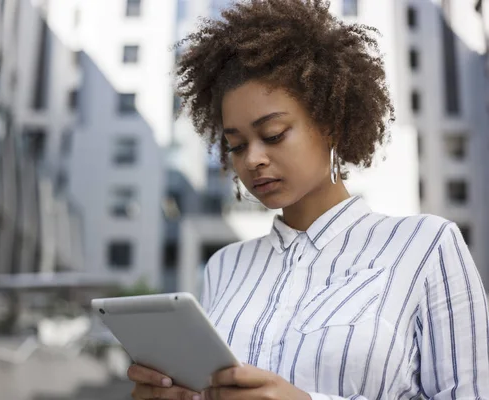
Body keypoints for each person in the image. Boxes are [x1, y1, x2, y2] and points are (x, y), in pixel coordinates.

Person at [127, 0, 489, 399]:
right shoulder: (223, 268)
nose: (253, 159)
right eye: (236, 145)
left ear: (330, 123)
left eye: (274, 134)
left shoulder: (425, 247)